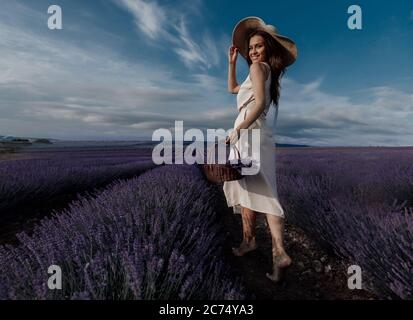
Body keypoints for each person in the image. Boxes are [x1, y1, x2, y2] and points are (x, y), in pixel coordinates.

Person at [223, 17, 298, 282]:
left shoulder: (257, 69)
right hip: (261, 134)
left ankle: (251, 241)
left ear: (268, 49)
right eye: (251, 47)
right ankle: (276, 252)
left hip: (249, 133)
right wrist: (231, 64)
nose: (253, 51)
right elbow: (233, 89)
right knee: (264, 190)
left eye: (258, 46)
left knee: (249, 188)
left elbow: (259, 103)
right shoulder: (265, 71)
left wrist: (238, 129)